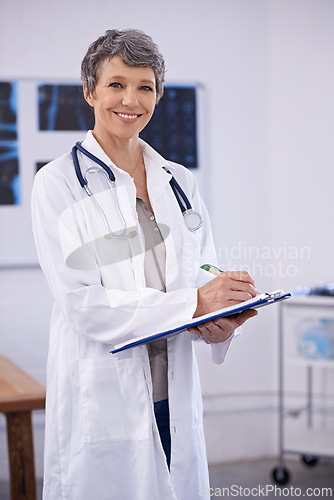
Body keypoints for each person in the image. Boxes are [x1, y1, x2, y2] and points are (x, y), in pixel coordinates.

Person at [31, 29, 258, 500]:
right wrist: (193, 304)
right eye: (116, 84)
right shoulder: (57, 184)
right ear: (91, 92)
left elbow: (202, 273)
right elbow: (84, 304)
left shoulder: (179, 182)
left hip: (172, 393)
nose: (131, 99)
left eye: (145, 86)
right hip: (106, 398)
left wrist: (218, 319)